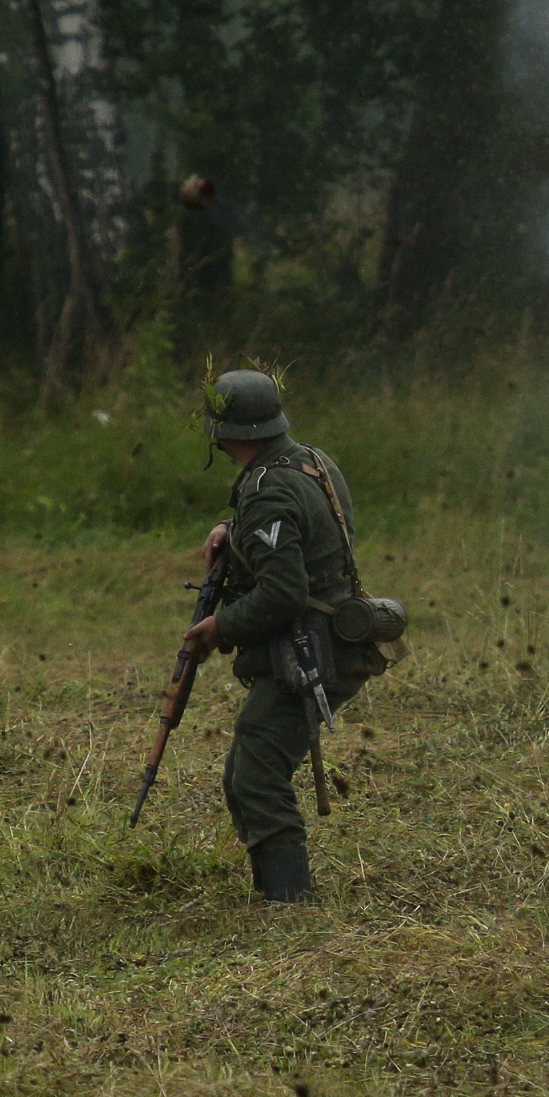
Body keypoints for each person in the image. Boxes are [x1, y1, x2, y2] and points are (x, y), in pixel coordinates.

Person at [186, 369, 390, 902]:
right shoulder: (311, 461)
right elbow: (309, 527)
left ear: (222, 432)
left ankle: (289, 904)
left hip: (308, 650)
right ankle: (276, 892)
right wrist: (234, 529)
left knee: (256, 776)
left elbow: (283, 593)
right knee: (247, 767)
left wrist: (220, 627)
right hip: (335, 637)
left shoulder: (267, 489)